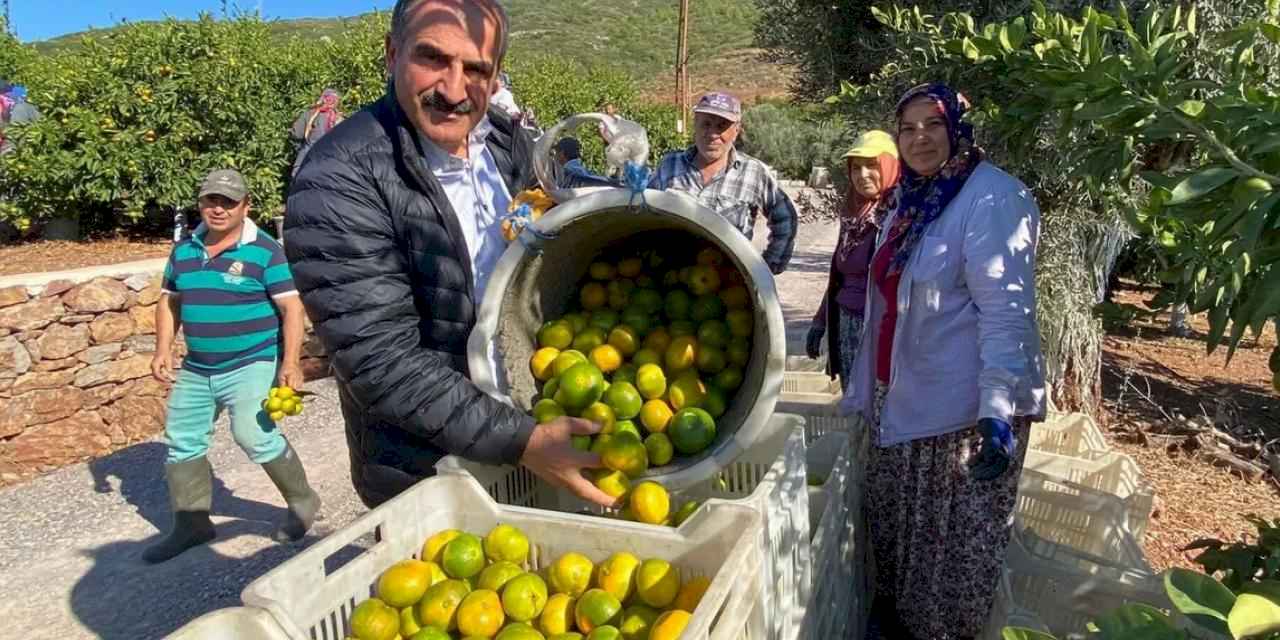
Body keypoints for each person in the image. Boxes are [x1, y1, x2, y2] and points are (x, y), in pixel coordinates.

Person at [284, 0, 616, 509]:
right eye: (433, 59)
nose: (454, 90)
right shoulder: (338, 177)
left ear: (496, 74)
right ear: (392, 53)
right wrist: (522, 440)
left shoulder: (505, 143)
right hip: (426, 467)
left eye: (477, 69)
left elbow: (550, 235)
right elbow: (380, 360)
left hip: (533, 423)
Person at [840, 83, 1046, 640]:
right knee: (899, 550)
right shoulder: (910, 200)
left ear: (958, 127)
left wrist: (997, 411)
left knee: (945, 566)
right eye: (906, 128)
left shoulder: (991, 197)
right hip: (901, 399)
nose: (919, 138)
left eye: (932, 124)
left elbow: (1007, 314)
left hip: (962, 415)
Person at [147, 168, 320, 564]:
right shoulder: (185, 251)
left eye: (228, 202)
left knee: (252, 433)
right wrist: (162, 350)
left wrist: (291, 363)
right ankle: (192, 523)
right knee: (182, 439)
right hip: (198, 365)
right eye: (211, 200)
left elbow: (291, 307)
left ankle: (302, 501)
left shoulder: (264, 251)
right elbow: (169, 301)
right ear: (201, 203)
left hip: (251, 361)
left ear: (245, 206)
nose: (218, 209)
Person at [649, 91, 798, 274]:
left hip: (729, 283)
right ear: (695, 124)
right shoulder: (669, 165)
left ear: (736, 130)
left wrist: (766, 268)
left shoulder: (753, 172)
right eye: (706, 124)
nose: (712, 134)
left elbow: (785, 218)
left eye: (721, 126)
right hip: (670, 278)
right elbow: (643, 213)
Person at [805, 130, 899, 387]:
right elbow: (840, 275)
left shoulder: (899, 217)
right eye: (856, 167)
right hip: (847, 325)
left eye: (872, 165)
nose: (862, 175)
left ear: (891, 166)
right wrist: (820, 321)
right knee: (855, 405)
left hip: (880, 331)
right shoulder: (854, 213)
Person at [289, 88, 344, 177]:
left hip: (306, 160)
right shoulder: (340, 119)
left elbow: (296, 134)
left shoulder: (310, 114)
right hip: (330, 163)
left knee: (298, 182)